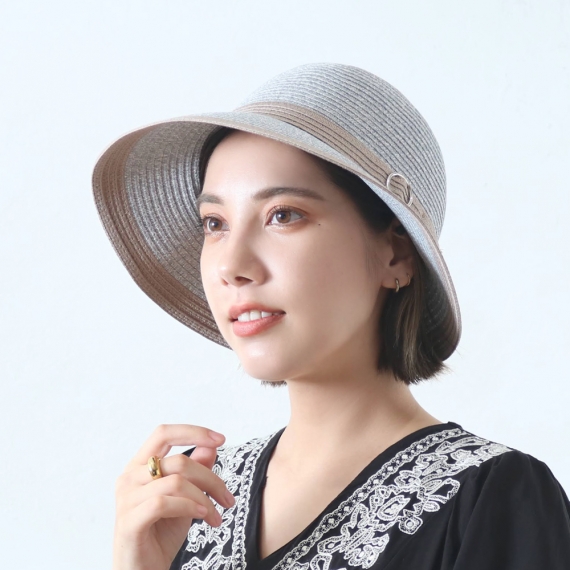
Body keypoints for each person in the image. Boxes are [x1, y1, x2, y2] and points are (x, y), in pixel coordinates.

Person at [92, 63, 570, 570]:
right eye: (215, 223)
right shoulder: (189, 494)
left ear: (395, 254)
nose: (231, 266)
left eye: (283, 215)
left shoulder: (493, 499)